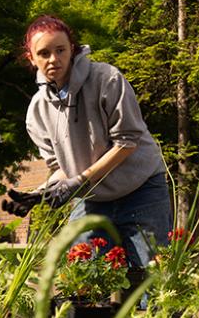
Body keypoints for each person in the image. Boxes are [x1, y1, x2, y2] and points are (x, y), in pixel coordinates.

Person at [21, 15, 172, 278]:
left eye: (60, 50)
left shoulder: (106, 79)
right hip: (93, 197)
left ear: (73, 50)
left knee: (152, 278)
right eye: (43, 53)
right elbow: (61, 168)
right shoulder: (37, 111)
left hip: (142, 188)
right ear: (31, 58)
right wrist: (41, 192)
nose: (53, 59)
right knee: (85, 277)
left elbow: (127, 142)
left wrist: (78, 181)